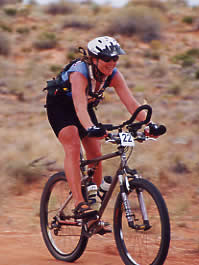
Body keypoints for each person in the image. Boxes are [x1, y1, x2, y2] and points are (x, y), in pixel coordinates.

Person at [45, 36, 158, 233]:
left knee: (95, 152)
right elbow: (79, 108)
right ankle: (80, 204)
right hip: (61, 108)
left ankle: (93, 206)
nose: (112, 63)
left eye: (115, 59)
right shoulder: (79, 73)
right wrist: (90, 128)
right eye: (107, 59)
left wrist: (150, 124)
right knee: (72, 145)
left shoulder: (113, 74)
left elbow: (132, 104)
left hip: (84, 108)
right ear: (94, 59)